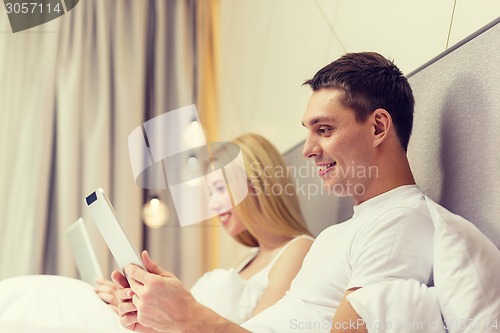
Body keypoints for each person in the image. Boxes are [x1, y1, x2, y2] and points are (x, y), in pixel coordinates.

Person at [113, 52, 435, 333]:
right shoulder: (336, 235)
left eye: (323, 130)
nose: (308, 149)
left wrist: (190, 318)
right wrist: (168, 321)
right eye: (308, 132)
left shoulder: (398, 223)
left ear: (378, 127)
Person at [97, 133, 314, 324]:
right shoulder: (248, 260)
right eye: (211, 193)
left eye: (220, 188)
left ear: (256, 185)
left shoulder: (299, 248)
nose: (212, 205)